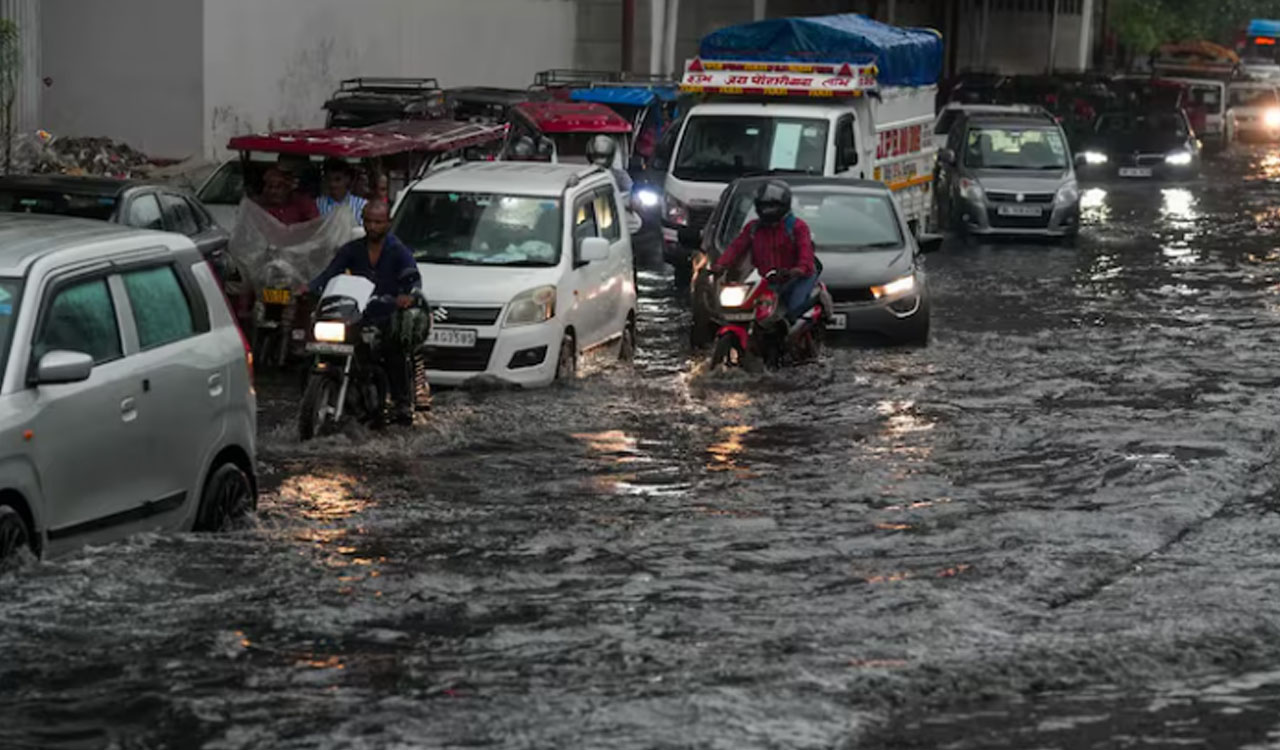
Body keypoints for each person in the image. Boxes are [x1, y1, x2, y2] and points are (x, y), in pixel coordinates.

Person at [309, 202, 420, 425]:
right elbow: (330, 273)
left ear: (388, 223)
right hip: (356, 312)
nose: (372, 226)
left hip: (385, 312)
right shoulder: (351, 250)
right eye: (368, 220)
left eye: (378, 222)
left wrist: (406, 296)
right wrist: (309, 288)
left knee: (393, 349)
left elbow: (412, 279)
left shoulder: (398, 251)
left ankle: (401, 401)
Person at [712, 180, 819, 330]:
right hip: (768, 279)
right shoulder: (753, 228)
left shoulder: (798, 227)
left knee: (794, 311)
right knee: (751, 310)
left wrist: (800, 269)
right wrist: (721, 264)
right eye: (764, 205)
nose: (767, 210)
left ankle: (796, 344)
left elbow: (805, 251)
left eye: (772, 206)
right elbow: (736, 247)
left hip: (797, 279)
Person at [316, 160, 368, 224]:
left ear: (347, 179)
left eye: (337, 180)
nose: (333, 184)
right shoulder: (318, 204)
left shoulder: (361, 205)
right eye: (329, 179)